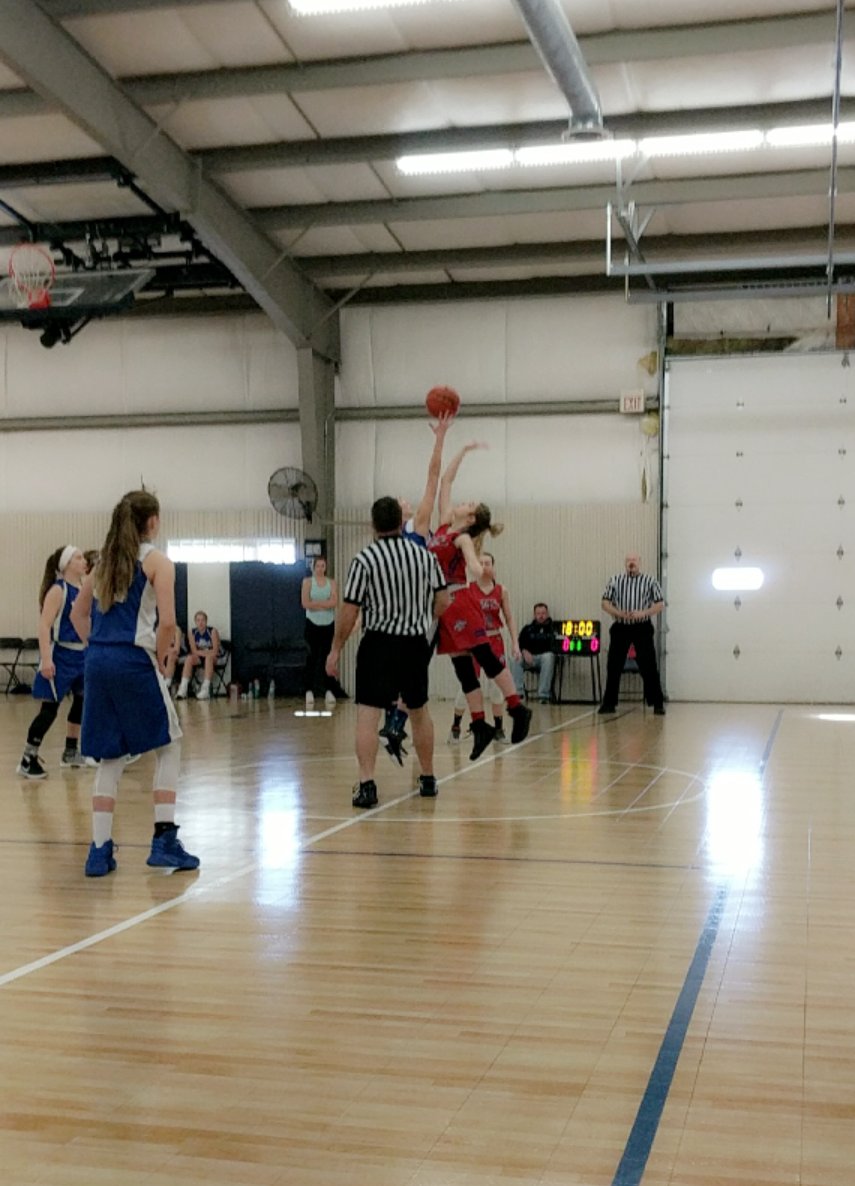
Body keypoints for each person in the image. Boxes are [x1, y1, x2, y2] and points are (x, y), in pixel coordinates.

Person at [71, 488, 199, 877]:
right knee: (170, 745)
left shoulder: (104, 563)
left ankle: (99, 850)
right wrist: (163, 660)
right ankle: (163, 838)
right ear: (153, 522)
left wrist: (98, 647)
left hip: (98, 661)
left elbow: (78, 615)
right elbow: (168, 622)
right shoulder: (157, 561)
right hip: (133, 660)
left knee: (110, 757)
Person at [325, 496, 449, 809]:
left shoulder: (364, 559)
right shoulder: (425, 557)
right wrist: (424, 617)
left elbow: (350, 609)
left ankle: (367, 784)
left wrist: (336, 649)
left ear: (372, 525)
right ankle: (428, 778)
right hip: (413, 642)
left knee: (367, 715)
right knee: (419, 711)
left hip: (377, 644)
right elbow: (444, 600)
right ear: (400, 523)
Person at [429, 442, 531, 760]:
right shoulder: (445, 524)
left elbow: (473, 564)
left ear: (471, 517)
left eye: (469, 503)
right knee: (463, 670)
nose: (462, 501)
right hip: (443, 607)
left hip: (459, 600)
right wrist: (463, 451)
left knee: (485, 657)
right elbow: (445, 482)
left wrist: (478, 568)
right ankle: (480, 725)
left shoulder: (461, 538)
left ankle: (517, 707)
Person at [381, 414, 454, 759]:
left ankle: (392, 722)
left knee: (395, 675)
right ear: (399, 515)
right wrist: (439, 438)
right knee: (413, 682)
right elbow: (432, 478)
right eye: (400, 501)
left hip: (390, 616)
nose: (405, 499)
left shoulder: (382, 542)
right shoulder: (416, 528)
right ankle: (395, 724)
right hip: (417, 617)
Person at [16, 546, 89, 779]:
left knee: (81, 703)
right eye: (78, 558)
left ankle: (70, 752)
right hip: (60, 655)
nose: (83, 560)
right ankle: (28, 758)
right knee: (49, 710)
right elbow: (44, 625)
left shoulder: (85, 589)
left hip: (82, 655)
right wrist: (46, 659)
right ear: (66, 564)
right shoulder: (59, 590)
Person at [448, 553, 521, 745]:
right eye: (480, 563)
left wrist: (515, 643)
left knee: (497, 688)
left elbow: (509, 618)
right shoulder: (467, 590)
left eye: (487, 563)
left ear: (493, 567)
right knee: (467, 686)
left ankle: (498, 729)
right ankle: (456, 726)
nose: (483, 566)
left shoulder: (501, 590)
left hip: (494, 640)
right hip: (473, 642)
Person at [599, 552, 666, 716]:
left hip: (641, 627)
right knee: (613, 665)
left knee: (648, 666)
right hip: (621, 626)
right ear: (625, 563)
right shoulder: (615, 580)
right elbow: (605, 603)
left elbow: (660, 604)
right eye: (628, 560)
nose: (631, 563)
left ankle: (657, 703)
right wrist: (619, 613)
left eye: (634, 560)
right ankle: (609, 703)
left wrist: (643, 613)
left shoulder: (650, 581)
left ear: (639, 563)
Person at [301, 556, 338, 708]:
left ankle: (329, 690)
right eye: (318, 566)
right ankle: (309, 690)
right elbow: (305, 603)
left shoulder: (332, 583)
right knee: (312, 657)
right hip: (312, 624)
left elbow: (334, 602)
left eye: (323, 566)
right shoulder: (308, 582)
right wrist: (324, 604)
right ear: (313, 567)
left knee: (328, 657)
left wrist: (317, 604)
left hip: (328, 624)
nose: (321, 569)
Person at [509, 603, 557, 705]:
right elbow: (518, 644)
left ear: (547, 614)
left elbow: (555, 646)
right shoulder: (527, 629)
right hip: (528, 658)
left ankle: (544, 695)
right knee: (515, 658)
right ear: (534, 615)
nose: (541, 616)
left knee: (548, 657)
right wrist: (524, 651)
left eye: (543, 613)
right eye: (538, 613)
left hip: (544, 659)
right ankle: (519, 693)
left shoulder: (554, 629)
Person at [175, 611, 221, 701]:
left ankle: (205, 689)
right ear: (195, 622)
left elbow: (215, 650)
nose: (200, 622)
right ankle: (183, 688)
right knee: (189, 658)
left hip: (214, 657)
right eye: (198, 620)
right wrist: (204, 652)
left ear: (206, 621)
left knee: (209, 658)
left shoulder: (212, 631)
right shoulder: (192, 632)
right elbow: (194, 650)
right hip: (202, 655)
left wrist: (202, 652)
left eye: (203, 620)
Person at [163, 625, 184, 692]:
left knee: (172, 655)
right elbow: (158, 647)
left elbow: (176, 649)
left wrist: (167, 651)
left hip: (175, 652)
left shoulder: (176, 629)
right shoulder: (159, 629)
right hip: (164, 652)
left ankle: (167, 682)